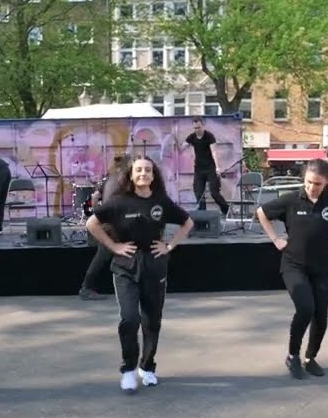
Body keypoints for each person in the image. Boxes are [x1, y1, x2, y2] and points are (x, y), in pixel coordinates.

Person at [86, 156, 195, 393]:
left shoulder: (161, 201)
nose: (143, 173)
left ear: (153, 175)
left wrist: (169, 245)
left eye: (147, 170)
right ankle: (128, 370)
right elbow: (91, 223)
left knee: (151, 321)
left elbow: (187, 223)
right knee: (129, 319)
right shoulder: (118, 202)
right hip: (125, 266)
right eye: (138, 170)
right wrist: (114, 247)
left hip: (154, 265)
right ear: (131, 175)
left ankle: (147, 367)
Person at [255, 158, 328, 379]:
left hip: (323, 267)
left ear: (327, 182)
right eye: (309, 182)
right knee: (305, 308)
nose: (312, 187)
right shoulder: (291, 200)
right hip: (294, 266)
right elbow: (262, 213)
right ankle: (293, 355)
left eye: (318, 184)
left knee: (321, 315)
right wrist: (275, 239)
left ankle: (310, 358)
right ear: (304, 179)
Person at [79, 155, 130, 300]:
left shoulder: (108, 178)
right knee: (103, 256)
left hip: (107, 223)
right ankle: (86, 288)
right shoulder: (126, 179)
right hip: (117, 224)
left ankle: (87, 287)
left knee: (105, 255)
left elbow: (94, 197)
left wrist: (97, 213)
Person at [183, 117, 229, 215]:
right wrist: (179, 145)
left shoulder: (209, 136)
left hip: (211, 168)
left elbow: (214, 152)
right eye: (195, 128)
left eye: (198, 127)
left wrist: (217, 167)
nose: (197, 130)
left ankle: (226, 209)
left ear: (203, 125)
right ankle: (202, 215)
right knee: (199, 193)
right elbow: (182, 147)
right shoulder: (192, 137)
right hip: (199, 169)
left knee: (214, 193)